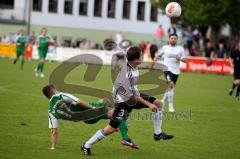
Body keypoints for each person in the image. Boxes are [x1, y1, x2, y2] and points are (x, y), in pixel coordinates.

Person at [81, 46, 173, 155]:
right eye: (141, 56)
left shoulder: (133, 64)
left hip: (133, 95)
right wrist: (149, 105)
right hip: (123, 101)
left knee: (159, 103)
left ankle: (157, 133)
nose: (142, 57)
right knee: (110, 128)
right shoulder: (128, 72)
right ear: (135, 60)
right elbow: (133, 96)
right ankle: (87, 145)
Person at [42, 84, 140, 150]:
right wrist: (92, 107)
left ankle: (118, 124)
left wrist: (53, 147)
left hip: (86, 118)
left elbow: (53, 131)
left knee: (104, 101)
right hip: (88, 110)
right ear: (54, 90)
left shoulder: (51, 112)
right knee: (118, 112)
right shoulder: (60, 96)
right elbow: (79, 101)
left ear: (47, 97)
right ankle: (125, 137)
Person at [160, 33, 187, 112]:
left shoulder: (180, 49)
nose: (173, 40)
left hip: (176, 71)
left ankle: (162, 101)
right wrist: (155, 57)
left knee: (169, 88)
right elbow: (159, 54)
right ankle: (170, 105)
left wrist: (180, 59)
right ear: (169, 39)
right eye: (171, 38)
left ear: (177, 39)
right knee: (170, 85)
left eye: (175, 38)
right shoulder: (165, 47)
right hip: (167, 69)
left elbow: (185, 60)